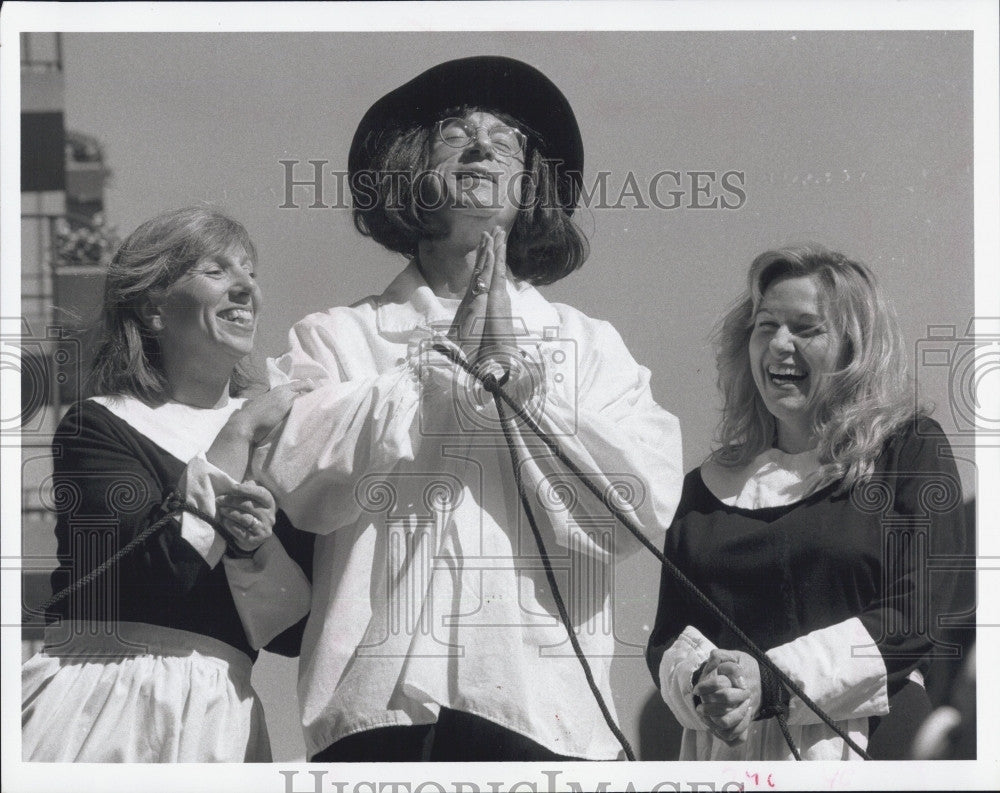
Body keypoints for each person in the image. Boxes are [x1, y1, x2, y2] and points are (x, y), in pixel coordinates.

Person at [251, 56, 684, 761]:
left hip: (545, 719)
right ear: (411, 168)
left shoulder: (591, 345)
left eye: (506, 138)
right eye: (455, 132)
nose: (481, 146)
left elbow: (638, 509)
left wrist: (524, 385)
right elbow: (296, 478)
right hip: (376, 721)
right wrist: (430, 377)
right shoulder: (335, 336)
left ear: (531, 181)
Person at [646, 245, 966, 760]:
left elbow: (917, 614)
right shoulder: (703, 490)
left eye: (806, 328)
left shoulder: (907, 452)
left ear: (853, 347)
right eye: (765, 325)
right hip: (733, 756)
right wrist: (709, 682)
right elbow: (667, 638)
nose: (779, 344)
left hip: (869, 743)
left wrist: (768, 683)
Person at [21, 207, 312, 762]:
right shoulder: (98, 425)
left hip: (218, 716)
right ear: (155, 309)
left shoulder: (283, 438)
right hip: (100, 702)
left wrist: (252, 551)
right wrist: (237, 434)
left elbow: (292, 636)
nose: (246, 286)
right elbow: (150, 575)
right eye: (216, 270)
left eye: (249, 271)